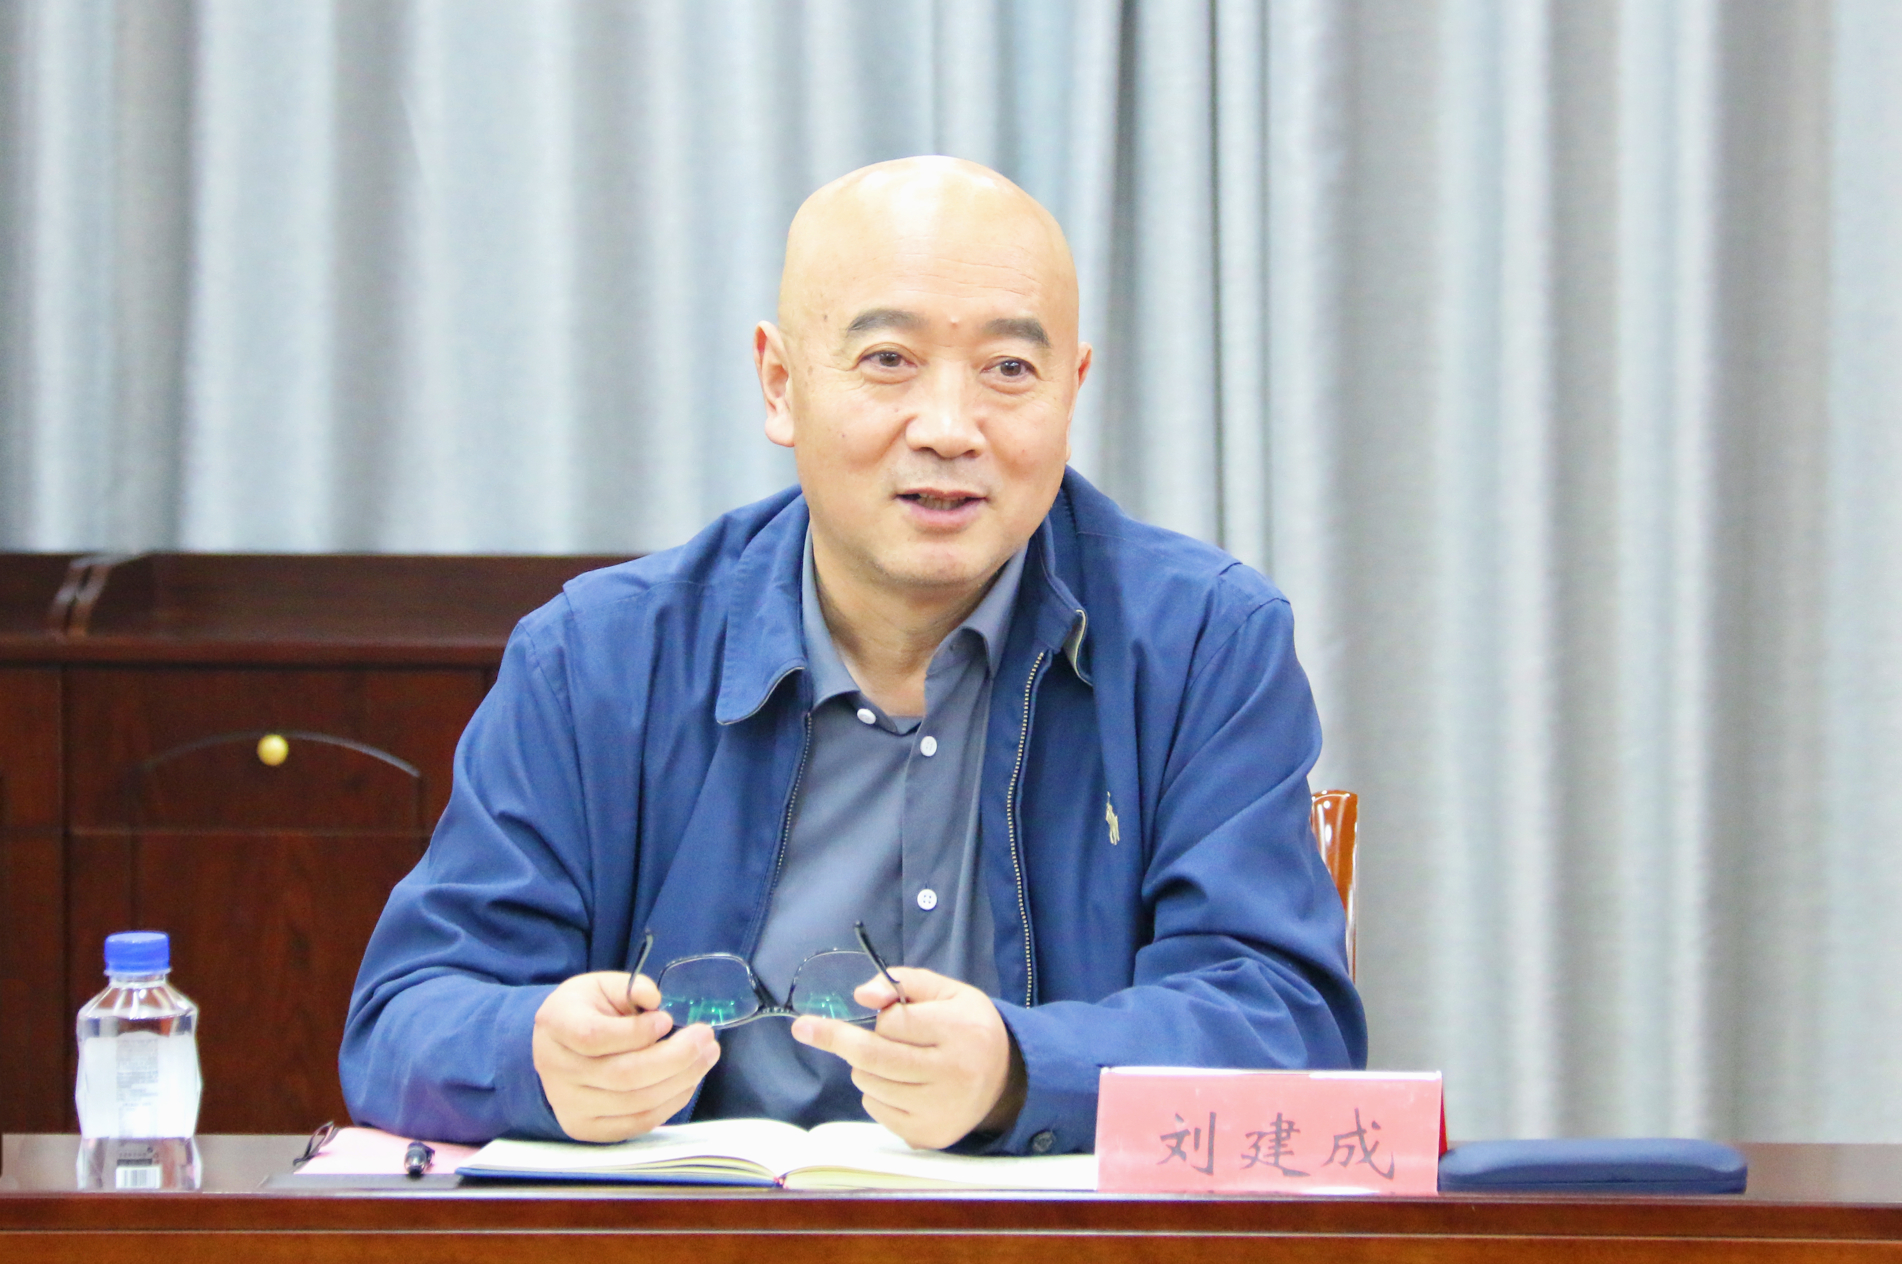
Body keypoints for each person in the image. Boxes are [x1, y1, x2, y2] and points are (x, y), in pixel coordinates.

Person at [340, 156, 1365, 1155]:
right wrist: (536, 1057)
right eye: (888, 361)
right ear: (781, 383)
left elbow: (1286, 1022)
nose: (950, 429)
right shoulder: (597, 658)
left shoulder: (1203, 644)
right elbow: (405, 1017)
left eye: (1010, 370)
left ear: (1071, 390)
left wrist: (1020, 1071)